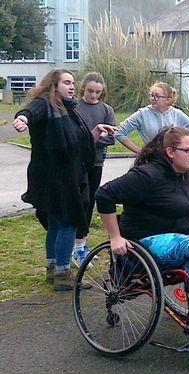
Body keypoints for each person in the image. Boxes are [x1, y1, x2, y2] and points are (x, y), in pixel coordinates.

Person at [95, 126, 189, 334]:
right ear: (170, 152)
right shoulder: (147, 175)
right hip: (145, 237)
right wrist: (115, 237)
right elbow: (103, 194)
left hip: (180, 229)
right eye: (188, 150)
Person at [12, 68, 116, 290]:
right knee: (68, 222)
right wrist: (21, 119)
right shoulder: (45, 104)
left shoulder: (68, 110)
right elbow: (28, 112)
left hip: (61, 176)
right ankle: (63, 274)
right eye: (66, 83)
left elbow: (78, 142)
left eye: (72, 82)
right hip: (56, 177)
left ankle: (53, 270)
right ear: (53, 85)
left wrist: (96, 131)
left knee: (56, 224)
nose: (71, 86)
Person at [71, 72, 116, 266]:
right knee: (78, 200)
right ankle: (75, 243)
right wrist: (94, 139)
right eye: (90, 91)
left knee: (89, 201)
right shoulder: (74, 108)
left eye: (97, 92)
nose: (93, 95)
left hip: (96, 162)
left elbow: (111, 137)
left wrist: (88, 141)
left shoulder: (106, 109)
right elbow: (71, 138)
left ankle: (82, 241)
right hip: (75, 162)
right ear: (83, 89)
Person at [114, 81, 189, 154]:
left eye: (157, 96)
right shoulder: (142, 114)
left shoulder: (177, 114)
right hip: (151, 160)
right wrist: (140, 152)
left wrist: (184, 149)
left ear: (168, 99)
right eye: (152, 95)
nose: (153, 98)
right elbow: (119, 133)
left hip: (173, 161)